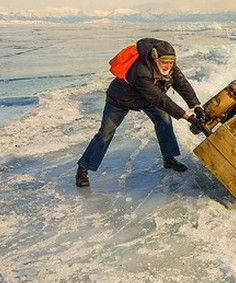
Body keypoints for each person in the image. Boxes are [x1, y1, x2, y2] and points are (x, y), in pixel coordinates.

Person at [76, 38, 207, 187]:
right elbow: (160, 99)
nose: (168, 66)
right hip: (121, 99)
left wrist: (196, 106)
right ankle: (83, 168)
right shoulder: (140, 71)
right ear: (154, 58)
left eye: (171, 62)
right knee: (105, 133)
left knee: (164, 120)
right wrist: (188, 118)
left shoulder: (171, 67)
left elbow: (182, 84)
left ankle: (169, 159)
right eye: (164, 62)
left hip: (147, 100)